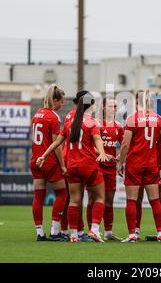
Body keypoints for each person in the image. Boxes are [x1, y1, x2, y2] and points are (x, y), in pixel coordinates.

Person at [37, 93, 111, 243]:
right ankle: (95, 230)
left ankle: (74, 235)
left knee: (74, 201)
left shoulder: (70, 121)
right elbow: (97, 140)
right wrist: (102, 153)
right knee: (100, 197)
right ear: (90, 106)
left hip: (72, 165)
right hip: (88, 165)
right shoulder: (91, 121)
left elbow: (58, 141)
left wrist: (44, 155)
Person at [118, 89, 161, 243]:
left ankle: (132, 234)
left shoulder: (132, 119)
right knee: (155, 200)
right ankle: (160, 233)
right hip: (152, 163)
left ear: (137, 102)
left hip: (135, 164)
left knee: (132, 200)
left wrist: (121, 163)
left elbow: (125, 144)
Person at [29, 85, 69, 242]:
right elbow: (56, 145)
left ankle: (40, 233)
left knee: (38, 196)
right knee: (62, 193)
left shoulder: (37, 114)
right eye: (61, 102)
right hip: (49, 162)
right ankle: (54, 231)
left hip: (35, 160)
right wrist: (63, 165)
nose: (62, 105)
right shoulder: (53, 117)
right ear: (54, 100)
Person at [61, 90, 91, 242]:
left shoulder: (70, 114)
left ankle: (66, 229)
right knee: (75, 198)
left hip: (69, 158)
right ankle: (77, 231)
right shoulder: (77, 116)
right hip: (75, 159)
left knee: (72, 198)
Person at [94, 96, 124, 241]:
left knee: (109, 201)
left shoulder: (118, 126)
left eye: (116, 106)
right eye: (111, 106)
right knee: (94, 199)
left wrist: (119, 157)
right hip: (97, 166)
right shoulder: (97, 124)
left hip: (111, 168)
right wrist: (102, 153)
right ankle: (93, 230)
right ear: (104, 108)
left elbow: (125, 144)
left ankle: (108, 231)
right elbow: (89, 144)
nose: (115, 108)